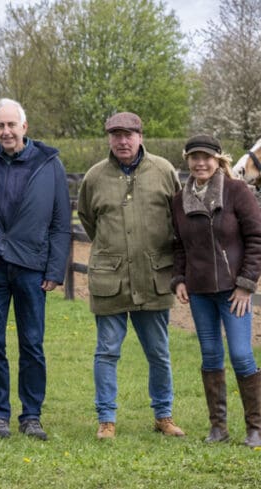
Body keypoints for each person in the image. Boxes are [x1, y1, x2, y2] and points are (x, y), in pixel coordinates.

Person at [77, 112, 185, 440]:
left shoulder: (164, 171)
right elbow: (87, 219)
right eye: (116, 135)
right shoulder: (94, 177)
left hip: (154, 279)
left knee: (158, 352)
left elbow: (177, 218)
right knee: (107, 351)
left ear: (140, 135)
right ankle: (106, 419)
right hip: (111, 280)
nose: (123, 141)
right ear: (109, 138)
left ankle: (163, 415)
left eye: (129, 134)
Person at [0, 98, 70, 440]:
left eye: (12, 125)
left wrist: (55, 269)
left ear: (25, 127)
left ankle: (31, 415)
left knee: (31, 343)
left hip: (31, 265)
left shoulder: (49, 164)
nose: (6, 131)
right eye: (0, 125)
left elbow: (60, 222)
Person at [172, 134, 261, 447]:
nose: (200, 163)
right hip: (199, 292)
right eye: (194, 157)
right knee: (210, 356)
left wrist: (246, 285)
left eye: (206, 157)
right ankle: (218, 428)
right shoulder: (179, 200)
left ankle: (255, 428)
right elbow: (178, 246)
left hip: (234, 292)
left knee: (240, 354)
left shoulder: (237, 192)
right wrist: (180, 279)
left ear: (218, 159)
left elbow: (256, 239)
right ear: (188, 161)